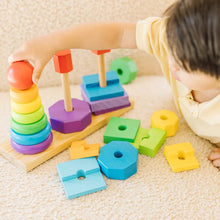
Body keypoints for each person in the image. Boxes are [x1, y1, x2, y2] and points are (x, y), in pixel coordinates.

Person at [8, 0, 220, 170]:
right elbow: (118, 34)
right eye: (170, 49)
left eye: (183, 65)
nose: (170, 61)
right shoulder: (173, 36)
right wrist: (52, 43)